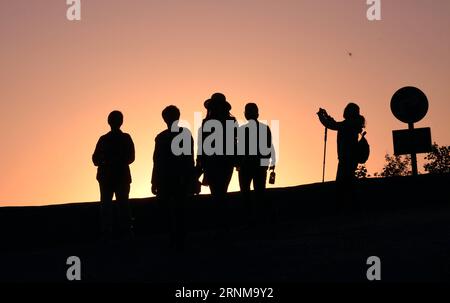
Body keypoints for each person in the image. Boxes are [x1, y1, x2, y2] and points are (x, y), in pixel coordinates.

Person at [151, 105, 195, 251]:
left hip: (168, 179)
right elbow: (189, 159)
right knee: (180, 210)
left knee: (171, 211)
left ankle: (174, 239)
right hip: (177, 178)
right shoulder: (185, 134)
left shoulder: (161, 137)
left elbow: (157, 161)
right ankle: (179, 239)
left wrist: (154, 181)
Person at [92, 110, 135, 238]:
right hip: (112, 178)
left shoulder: (106, 139)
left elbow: (131, 157)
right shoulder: (110, 139)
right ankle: (117, 232)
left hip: (113, 177)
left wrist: (109, 160)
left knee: (117, 206)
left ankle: (118, 232)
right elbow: (95, 159)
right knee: (114, 206)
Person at [317, 103, 366, 206]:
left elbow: (332, 125)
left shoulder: (348, 124)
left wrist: (321, 116)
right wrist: (326, 116)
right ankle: (352, 204)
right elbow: (335, 124)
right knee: (348, 181)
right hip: (351, 158)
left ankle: (347, 206)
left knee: (342, 183)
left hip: (346, 158)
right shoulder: (351, 124)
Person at [237, 103, 276, 220]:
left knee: (245, 193)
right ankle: (259, 218)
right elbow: (269, 147)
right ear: (257, 114)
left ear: (245, 114)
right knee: (259, 193)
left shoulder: (241, 130)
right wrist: (271, 162)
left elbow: (238, 149)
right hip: (260, 165)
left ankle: (249, 218)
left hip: (245, 165)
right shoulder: (265, 128)